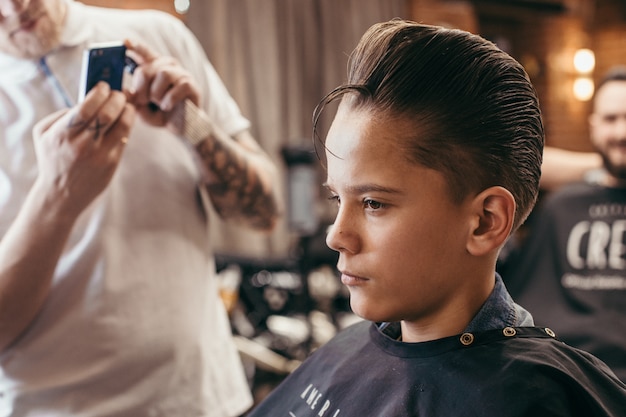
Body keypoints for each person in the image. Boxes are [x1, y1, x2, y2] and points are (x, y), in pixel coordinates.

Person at [246, 19, 626, 417]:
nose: (336, 236)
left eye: (374, 203)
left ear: (485, 221)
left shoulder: (533, 401)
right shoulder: (348, 348)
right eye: (336, 197)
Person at [0, 0, 280, 416]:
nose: (13, 7)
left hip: (204, 400)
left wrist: (193, 127)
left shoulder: (161, 35)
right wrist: (57, 196)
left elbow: (264, 213)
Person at [502, 66, 626, 383]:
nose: (621, 132)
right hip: (556, 369)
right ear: (594, 126)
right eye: (611, 119)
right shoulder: (563, 204)